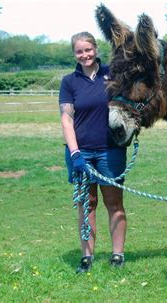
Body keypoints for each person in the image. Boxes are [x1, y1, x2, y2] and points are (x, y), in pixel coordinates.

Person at [59, 32, 127, 273]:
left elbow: (129, 105)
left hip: (111, 151)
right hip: (81, 154)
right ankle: (87, 256)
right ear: (74, 54)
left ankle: (118, 255)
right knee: (87, 204)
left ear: (95, 49)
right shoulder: (69, 82)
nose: (84, 55)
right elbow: (67, 119)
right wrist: (75, 153)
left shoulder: (113, 75)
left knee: (114, 203)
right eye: (79, 51)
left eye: (88, 49)